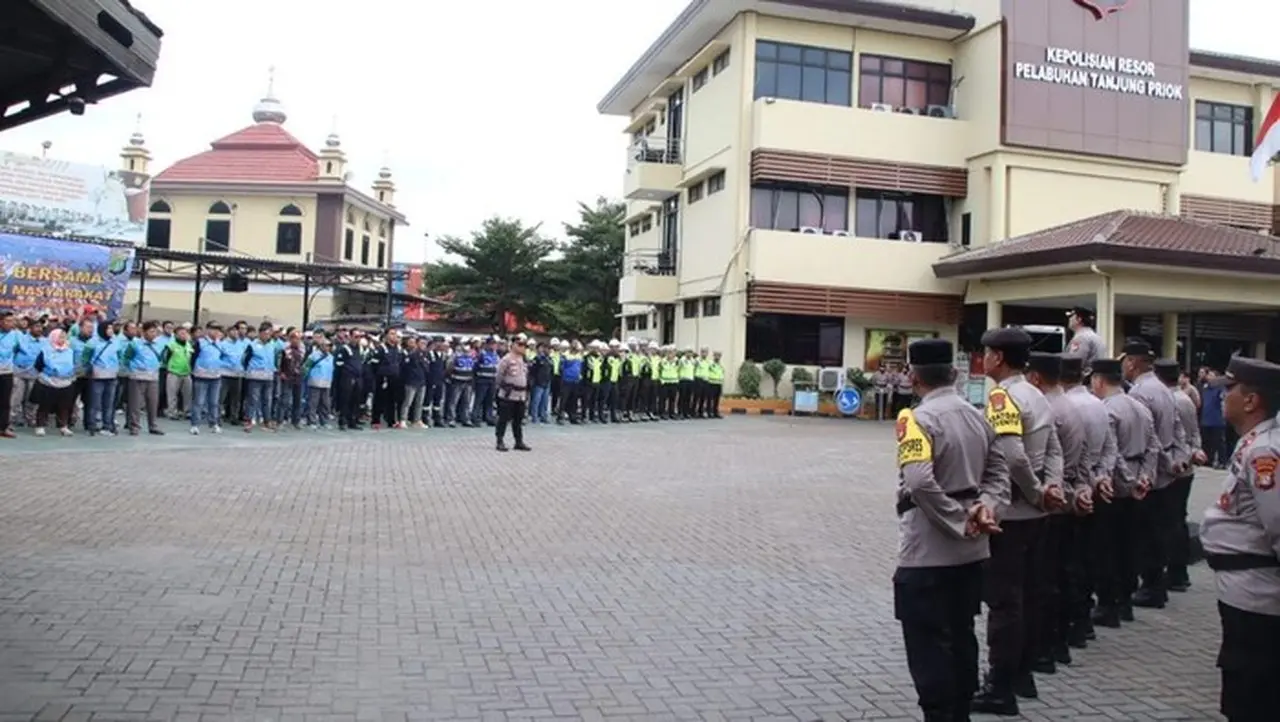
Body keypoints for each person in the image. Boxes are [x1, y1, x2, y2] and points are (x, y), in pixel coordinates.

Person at [893, 338, 1007, 722]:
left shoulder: (917, 419)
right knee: (961, 634)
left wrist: (959, 521)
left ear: (913, 377)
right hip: (972, 554)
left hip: (928, 552)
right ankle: (961, 711)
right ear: (955, 374)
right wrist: (984, 508)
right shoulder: (979, 416)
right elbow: (999, 473)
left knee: (928, 644)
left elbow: (919, 482)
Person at [971, 327, 1065, 715]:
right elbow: (1055, 449)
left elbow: (1012, 457)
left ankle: (1000, 686)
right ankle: (1023, 673)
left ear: (998, 357)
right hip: (1037, 515)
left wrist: (1036, 491)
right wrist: (1052, 487)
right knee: (1029, 595)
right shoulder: (1037, 394)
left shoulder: (1002, 398)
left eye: (986, 353)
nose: (983, 359)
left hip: (1011, 514)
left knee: (1005, 603)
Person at [1199, 355, 1280, 722]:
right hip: (1244, 592)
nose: (1221, 396)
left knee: (1251, 694)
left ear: (1251, 401)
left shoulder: (1265, 452)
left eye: (1229, 389)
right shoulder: (1253, 442)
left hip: (1257, 596)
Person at [1025, 352, 1088, 673]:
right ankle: (1060, 641)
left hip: (1052, 501)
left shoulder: (1048, 410)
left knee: (1045, 579)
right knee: (1061, 574)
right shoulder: (1070, 406)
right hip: (1066, 496)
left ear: (1035, 378)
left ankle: (1045, 648)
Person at [1089, 358, 1158, 629]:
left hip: (1115, 485)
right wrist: (1145, 477)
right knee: (1129, 545)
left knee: (1107, 547)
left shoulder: (1106, 410)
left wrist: (1129, 481)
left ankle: (1109, 604)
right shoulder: (1139, 407)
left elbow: (1112, 452)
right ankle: (1126, 601)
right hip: (1138, 482)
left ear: (1098, 380)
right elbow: (1153, 447)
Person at [1124, 342, 1186, 610]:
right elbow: (1178, 429)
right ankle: (1156, 584)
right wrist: (1178, 459)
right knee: (1158, 531)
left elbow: (1149, 438)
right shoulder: (1164, 388)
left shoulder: (1139, 393)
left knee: (1145, 535)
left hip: (1149, 472)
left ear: (1132, 363)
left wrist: (1162, 465)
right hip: (1165, 472)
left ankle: (1151, 587)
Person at [1060, 354, 1114, 648]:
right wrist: (1101, 477)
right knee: (1087, 555)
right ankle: (1084, 619)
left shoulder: (1066, 408)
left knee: (1068, 561)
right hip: (1095, 487)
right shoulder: (1098, 405)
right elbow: (1109, 449)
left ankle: (1074, 623)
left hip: (1071, 490)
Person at [1158, 359, 1206, 593]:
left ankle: (1172, 571)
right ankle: (1180, 572)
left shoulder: (1168, 401)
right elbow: (1195, 433)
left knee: (1168, 522)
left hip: (1171, 469)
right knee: (1179, 519)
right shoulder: (1185, 399)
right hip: (1186, 467)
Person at [31, 329, 78, 436]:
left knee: (64, 406)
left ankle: (63, 426)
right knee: (44, 405)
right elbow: (38, 365)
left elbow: (73, 363)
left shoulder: (70, 350)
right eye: (60, 337)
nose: (63, 339)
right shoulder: (45, 350)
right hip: (48, 382)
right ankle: (40, 426)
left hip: (66, 382)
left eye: (64, 337)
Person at [123, 320, 165, 436]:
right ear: (144, 332)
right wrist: (134, 368)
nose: (154, 334)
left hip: (153, 377)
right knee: (135, 403)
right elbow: (126, 358)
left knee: (152, 403)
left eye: (155, 332)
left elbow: (162, 357)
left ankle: (153, 425)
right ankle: (134, 426)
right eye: (151, 331)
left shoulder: (159, 344)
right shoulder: (135, 344)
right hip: (137, 376)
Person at [494, 337, 531, 452]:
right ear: (513, 345)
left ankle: (518, 441)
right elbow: (499, 376)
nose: (523, 347)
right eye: (520, 345)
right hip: (508, 394)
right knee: (503, 418)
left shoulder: (523, 359)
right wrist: (503, 386)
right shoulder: (506, 359)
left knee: (518, 419)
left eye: (524, 345)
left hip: (521, 394)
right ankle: (500, 441)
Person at [189, 322, 225, 434]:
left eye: (218, 330)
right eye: (214, 329)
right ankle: (195, 424)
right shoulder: (200, 342)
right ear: (208, 330)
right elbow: (193, 358)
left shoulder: (220, 344)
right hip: (201, 376)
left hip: (216, 376)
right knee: (199, 402)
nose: (217, 332)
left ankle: (214, 423)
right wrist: (194, 371)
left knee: (214, 402)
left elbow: (222, 357)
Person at [1064, 307, 1107, 374]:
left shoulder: (1081, 338)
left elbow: (1074, 364)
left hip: (1084, 378)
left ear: (1079, 319)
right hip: (1095, 376)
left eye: (1071, 316)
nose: (1069, 319)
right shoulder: (1096, 337)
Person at [1201, 369, 1229, 469]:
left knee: (1219, 442)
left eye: (1212, 375)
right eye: (1208, 375)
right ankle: (1208, 460)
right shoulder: (1205, 388)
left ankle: (1222, 461)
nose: (1209, 377)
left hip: (1217, 419)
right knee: (1207, 442)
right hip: (1206, 418)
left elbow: (1224, 402)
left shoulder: (1221, 389)